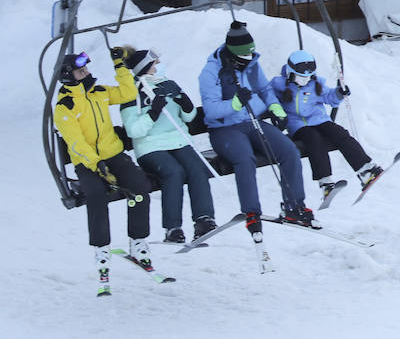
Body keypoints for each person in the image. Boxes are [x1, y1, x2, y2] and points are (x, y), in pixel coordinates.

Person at [197, 22, 313, 235]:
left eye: (250, 57)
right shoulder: (210, 72)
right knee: (245, 158)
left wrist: (276, 109)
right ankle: (252, 212)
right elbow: (211, 110)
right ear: (232, 55)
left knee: (289, 150)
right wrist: (234, 103)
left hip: (252, 122)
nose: (249, 62)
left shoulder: (251, 64)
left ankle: (294, 206)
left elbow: (265, 88)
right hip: (224, 130)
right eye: (243, 59)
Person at [54, 48, 154, 280]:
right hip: (88, 163)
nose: (87, 73)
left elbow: (128, 93)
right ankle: (101, 248)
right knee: (96, 194)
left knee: (140, 187)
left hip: (114, 154)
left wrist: (120, 67)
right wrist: (95, 163)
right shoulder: (65, 106)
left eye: (86, 68)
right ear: (69, 75)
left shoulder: (98, 92)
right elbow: (75, 141)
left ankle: (138, 240)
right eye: (81, 71)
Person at [118, 48, 216, 244]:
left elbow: (188, 117)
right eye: (155, 64)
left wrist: (183, 101)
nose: (159, 67)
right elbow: (133, 130)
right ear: (145, 68)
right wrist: (153, 113)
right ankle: (173, 227)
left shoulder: (167, 84)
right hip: (151, 146)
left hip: (178, 139)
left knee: (197, 168)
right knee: (173, 172)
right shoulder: (131, 93)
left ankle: (203, 219)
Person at [270, 50, 381, 204]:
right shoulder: (279, 86)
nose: (305, 80)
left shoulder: (315, 84)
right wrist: (277, 114)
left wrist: (339, 93)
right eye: (301, 77)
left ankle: (366, 169)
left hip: (319, 119)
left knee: (339, 133)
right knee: (314, 140)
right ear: (290, 73)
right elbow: (270, 101)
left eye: (308, 76)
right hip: (298, 125)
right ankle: (326, 182)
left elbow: (329, 97)